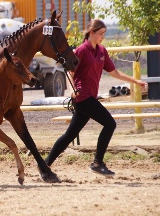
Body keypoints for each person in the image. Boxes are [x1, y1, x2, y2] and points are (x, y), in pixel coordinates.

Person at [45, 19, 148, 176]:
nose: (103, 37)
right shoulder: (81, 50)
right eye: (100, 34)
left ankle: (44, 165)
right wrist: (73, 90)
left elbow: (114, 72)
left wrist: (135, 81)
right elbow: (69, 72)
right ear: (91, 33)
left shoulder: (101, 51)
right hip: (83, 97)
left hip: (90, 97)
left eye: (104, 34)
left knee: (69, 136)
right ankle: (97, 163)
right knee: (109, 124)